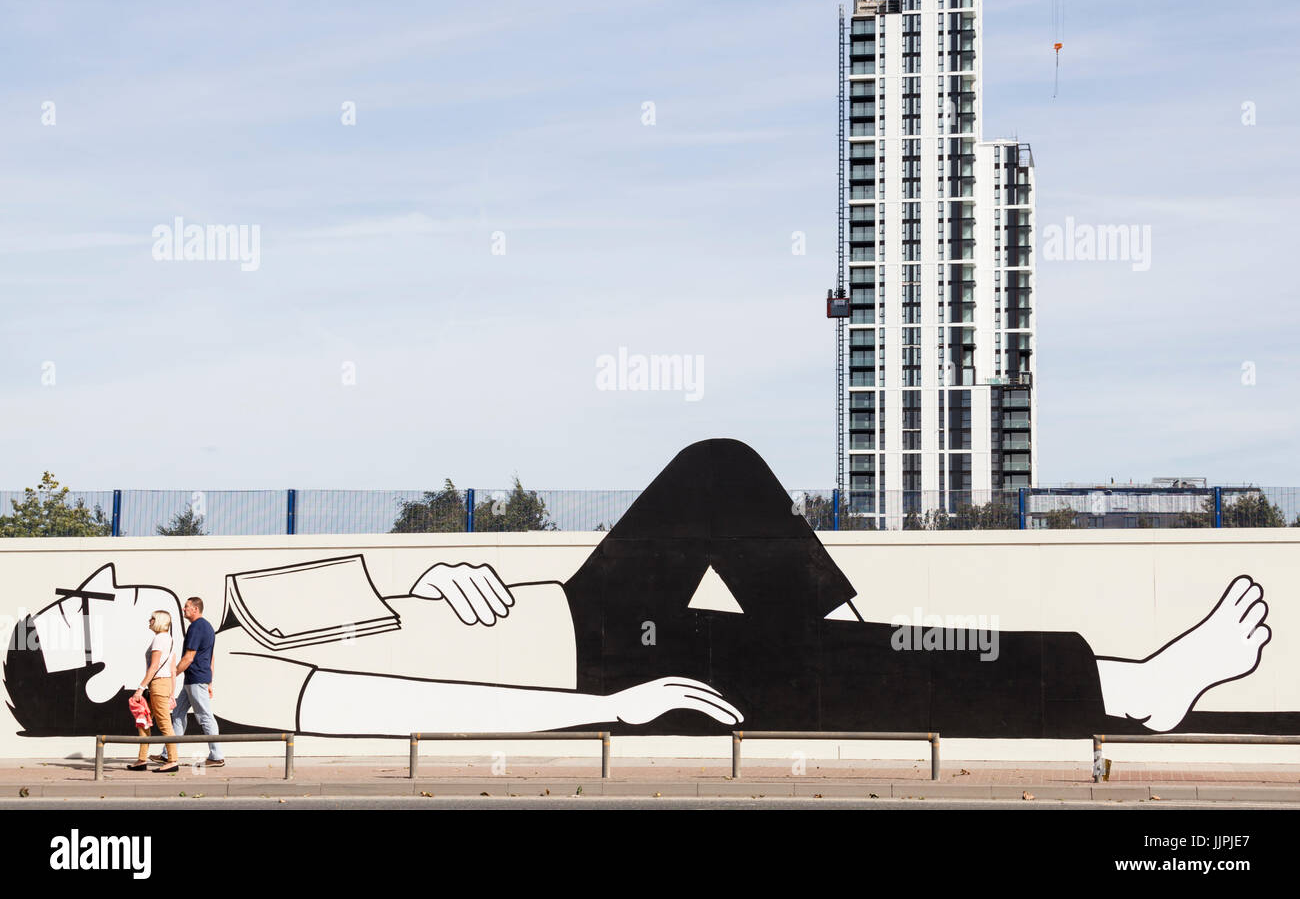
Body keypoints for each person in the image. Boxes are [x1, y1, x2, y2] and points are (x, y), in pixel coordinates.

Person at [4, 439, 1293, 740]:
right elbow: (411, 714)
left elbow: (405, 636)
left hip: (573, 606)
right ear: (117, 683)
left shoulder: (234, 615)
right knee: (867, 656)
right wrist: (612, 715)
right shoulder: (240, 681)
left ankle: (860, 651)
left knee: (717, 470)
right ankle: (1128, 684)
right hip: (604, 664)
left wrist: (458, 577)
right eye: (91, 610)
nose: (117, 586)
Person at [166, 597, 224, 767]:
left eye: (187, 607)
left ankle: (216, 756)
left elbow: (189, 657)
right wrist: (210, 682)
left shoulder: (196, 627)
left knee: (205, 716)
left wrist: (172, 674)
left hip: (195, 680)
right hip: (195, 680)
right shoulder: (208, 627)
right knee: (177, 714)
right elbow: (210, 657)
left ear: (196, 609)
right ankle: (168, 753)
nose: (184, 609)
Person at [127, 610, 179, 771]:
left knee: (164, 724)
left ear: (159, 621)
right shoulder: (169, 639)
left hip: (157, 685)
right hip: (164, 684)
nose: (149, 620)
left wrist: (140, 689)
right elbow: (172, 670)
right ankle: (142, 760)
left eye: (152, 618)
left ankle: (173, 761)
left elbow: (154, 666)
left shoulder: (158, 639)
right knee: (143, 720)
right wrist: (172, 693)